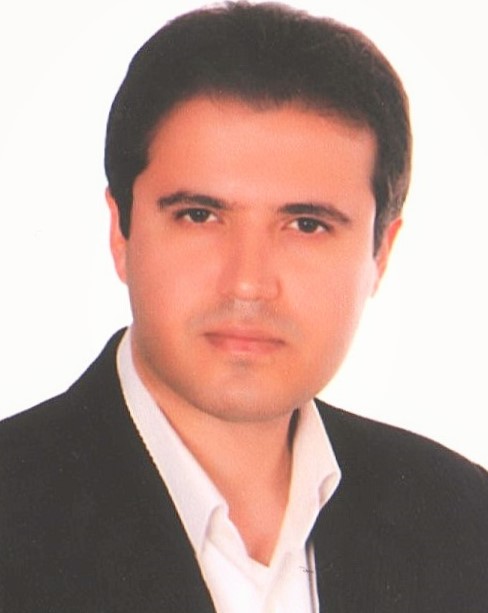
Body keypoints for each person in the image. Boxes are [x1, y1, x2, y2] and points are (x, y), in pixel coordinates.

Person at [1, 2, 487, 611]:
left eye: (306, 225)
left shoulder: (464, 519)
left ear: (380, 253)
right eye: (199, 216)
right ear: (121, 233)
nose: (248, 284)